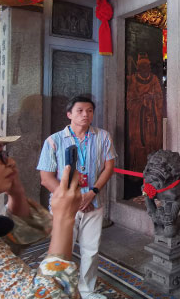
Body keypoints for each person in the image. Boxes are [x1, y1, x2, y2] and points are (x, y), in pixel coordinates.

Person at [0, 111, 82, 298]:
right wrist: (64, 218)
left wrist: (17, 194)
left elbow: (14, 239)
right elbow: (51, 295)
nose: (11, 162)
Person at [37, 95, 116, 299]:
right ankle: (58, 290)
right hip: (64, 207)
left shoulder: (103, 137)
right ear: (69, 114)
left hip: (94, 201)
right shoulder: (54, 141)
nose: (85, 115)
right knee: (62, 250)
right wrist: (74, 199)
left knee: (91, 249)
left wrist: (92, 192)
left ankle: (87, 291)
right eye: (80, 110)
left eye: (89, 111)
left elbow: (109, 167)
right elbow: (46, 178)